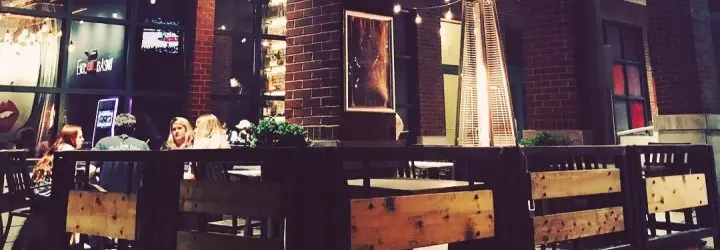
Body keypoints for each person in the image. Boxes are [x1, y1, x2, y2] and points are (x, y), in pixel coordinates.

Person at [31, 124, 84, 198]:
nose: (83, 139)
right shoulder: (69, 151)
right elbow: (68, 180)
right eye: (80, 137)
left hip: (39, 193)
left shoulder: (59, 147)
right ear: (71, 138)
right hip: (51, 196)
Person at [191, 114, 230, 181]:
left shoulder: (201, 142)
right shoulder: (221, 141)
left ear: (205, 128)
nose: (194, 130)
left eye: (197, 127)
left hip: (205, 182)